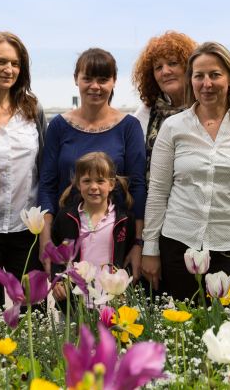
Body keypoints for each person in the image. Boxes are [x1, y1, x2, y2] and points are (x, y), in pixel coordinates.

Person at [140, 41, 230, 320]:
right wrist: (150, 249)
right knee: (186, 333)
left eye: (215, 74)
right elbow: (157, 193)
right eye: (199, 76)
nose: (207, 83)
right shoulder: (174, 127)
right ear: (190, 80)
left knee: (228, 332)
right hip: (178, 248)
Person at [37, 48, 147, 280]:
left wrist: (138, 244)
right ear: (76, 79)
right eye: (87, 78)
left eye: (103, 79)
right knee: (70, 302)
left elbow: (137, 187)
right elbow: (47, 185)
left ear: (114, 81)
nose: (94, 86)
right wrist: (46, 241)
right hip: (66, 242)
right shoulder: (58, 126)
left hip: (116, 242)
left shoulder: (129, 126)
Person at [0, 32, 48, 316]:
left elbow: (44, 168)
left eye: (15, 63)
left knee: (34, 317)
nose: (9, 69)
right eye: (1, 61)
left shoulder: (33, 109)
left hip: (27, 232)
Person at [50, 152, 136, 310]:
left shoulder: (124, 219)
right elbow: (56, 253)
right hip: (74, 306)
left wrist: (125, 289)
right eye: (87, 181)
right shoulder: (65, 216)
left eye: (100, 181)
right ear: (78, 184)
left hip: (111, 304)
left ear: (111, 184)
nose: (94, 186)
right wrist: (59, 280)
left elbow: (128, 259)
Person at [131, 31, 198, 183]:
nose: (165, 72)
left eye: (173, 63)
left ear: (189, 67)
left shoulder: (206, 109)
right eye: (158, 67)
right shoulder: (144, 115)